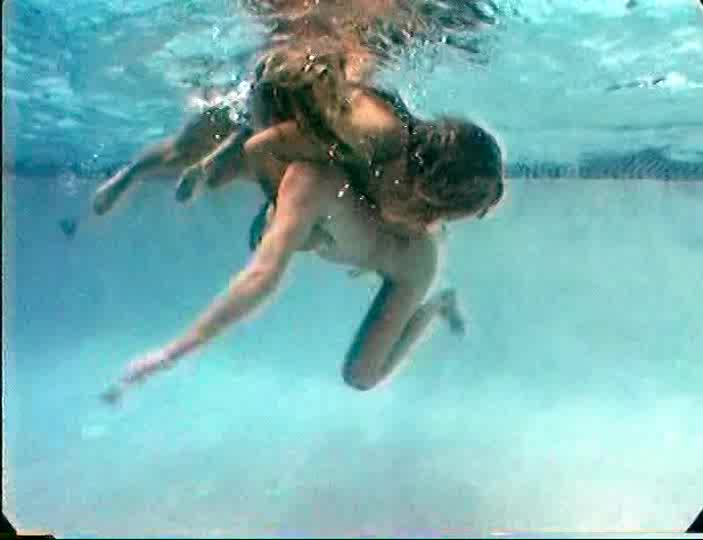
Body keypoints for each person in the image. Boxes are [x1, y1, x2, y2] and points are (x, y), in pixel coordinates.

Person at [98, 1, 505, 402]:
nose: (425, 220)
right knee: (204, 160)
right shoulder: (356, 147)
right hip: (293, 119)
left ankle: (437, 306)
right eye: (424, 208)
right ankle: (151, 172)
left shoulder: (399, 182)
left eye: (434, 215)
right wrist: (173, 354)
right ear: (418, 181)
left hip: (384, 231)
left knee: (362, 377)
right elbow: (262, 268)